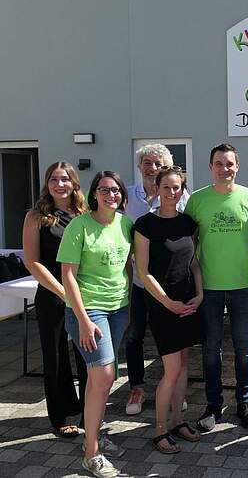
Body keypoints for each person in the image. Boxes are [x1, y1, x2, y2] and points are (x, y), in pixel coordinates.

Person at [58, 171, 133, 478]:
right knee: (103, 376)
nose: (110, 194)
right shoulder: (80, 225)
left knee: (98, 379)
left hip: (119, 309)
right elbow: (68, 275)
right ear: (93, 194)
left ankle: (94, 434)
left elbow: (129, 266)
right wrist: (84, 320)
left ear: (122, 194)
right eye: (103, 189)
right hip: (89, 312)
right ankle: (91, 453)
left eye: (115, 189)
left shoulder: (125, 224)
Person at [184, 143, 248, 431]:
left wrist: (241, 259)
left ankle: (245, 403)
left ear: (237, 166)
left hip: (242, 283)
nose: (224, 168)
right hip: (209, 287)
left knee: (244, 347)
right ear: (210, 167)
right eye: (219, 163)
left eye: (229, 163)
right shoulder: (197, 200)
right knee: (211, 348)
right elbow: (190, 242)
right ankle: (213, 405)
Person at [134, 166, 204, 453]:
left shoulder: (188, 223)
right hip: (163, 306)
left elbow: (193, 263)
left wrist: (199, 294)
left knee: (184, 364)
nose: (172, 192)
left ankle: (178, 420)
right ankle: (160, 429)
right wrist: (167, 303)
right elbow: (143, 270)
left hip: (188, 303)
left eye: (177, 188)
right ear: (157, 187)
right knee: (172, 369)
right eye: (166, 187)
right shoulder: (144, 224)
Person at [22, 162, 88, 438]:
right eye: (53, 179)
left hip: (86, 295)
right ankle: (59, 417)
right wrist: (63, 292)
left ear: (74, 183)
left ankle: (88, 409)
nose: (59, 184)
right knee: (56, 356)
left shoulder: (84, 214)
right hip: (53, 296)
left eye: (64, 179)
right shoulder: (36, 217)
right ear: (46, 184)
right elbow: (32, 262)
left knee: (87, 356)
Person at [124, 143, 190, 416]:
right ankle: (137, 388)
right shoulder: (124, 197)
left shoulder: (182, 197)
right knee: (135, 335)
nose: (153, 168)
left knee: (173, 340)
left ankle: (173, 388)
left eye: (159, 164)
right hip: (139, 283)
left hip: (173, 286)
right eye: (148, 163)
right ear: (139, 166)